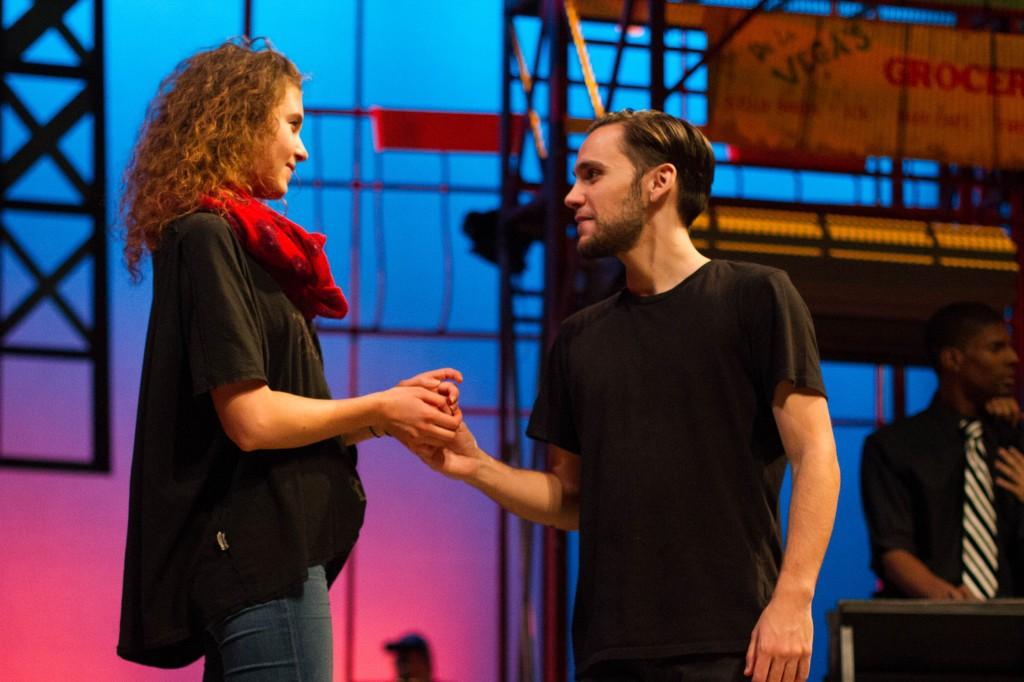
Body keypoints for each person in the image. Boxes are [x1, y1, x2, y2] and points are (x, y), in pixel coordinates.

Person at [405, 110, 841, 682]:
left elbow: (817, 457)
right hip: (608, 653)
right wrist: (475, 466)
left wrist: (793, 600)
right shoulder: (580, 337)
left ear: (658, 182)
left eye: (591, 175)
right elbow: (572, 500)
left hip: (737, 644)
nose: (569, 196)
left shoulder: (756, 296)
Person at [116, 39, 462, 680]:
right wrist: (380, 406)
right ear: (241, 119)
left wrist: (391, 414)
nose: (302, 149)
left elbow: (280, 416)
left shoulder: (239, 244)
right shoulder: (208, 234)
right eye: (292, 124)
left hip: (264, 550)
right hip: (258, 552)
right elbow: (251, 420)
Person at [861, 302, 1024, 599]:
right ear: (953, 359)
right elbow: (893, 549)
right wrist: (952, 604)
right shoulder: (894, 446)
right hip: (932, 625)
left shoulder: (1013, 440)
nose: (1012, 359)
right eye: (996, 348)